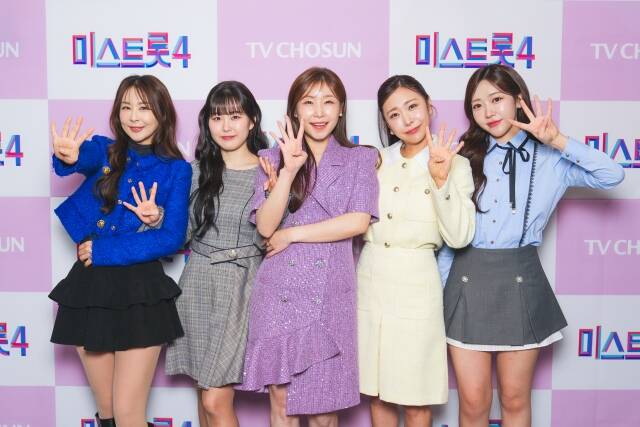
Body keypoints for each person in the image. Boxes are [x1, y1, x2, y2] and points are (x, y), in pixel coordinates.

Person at [438, 64, 625, 427]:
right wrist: (439, 295)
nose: (488, 111)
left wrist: (558, 140)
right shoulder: (463, 157)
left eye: (496, 99)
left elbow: (612, 174)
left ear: (518, 99)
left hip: (520, 280)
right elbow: (449, 235)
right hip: (465, 282)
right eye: (477, 105)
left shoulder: (551, 158)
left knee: (514, 397)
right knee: (473, 402)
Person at [237, 67, 379, 427]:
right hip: (279, 292)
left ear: (341, 109)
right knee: (281, 401)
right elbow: (265, 226)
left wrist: (292, 235)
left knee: (323, 410)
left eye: (328, 102)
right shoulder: (271, 158)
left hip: (330, 294)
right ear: (294, 109)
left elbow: (357, 222)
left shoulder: (361, 158)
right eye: (308, 102)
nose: (318, 112)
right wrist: (288, 171)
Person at [49, 75, 191, 427]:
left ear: (162, 113)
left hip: (141, 290)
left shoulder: (177, 169)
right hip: (90, 288)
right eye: (126, 107)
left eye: (144, 107)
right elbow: (83, 156)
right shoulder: (106, 150)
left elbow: (171, 238)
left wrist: (105, 251)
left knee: (128, 414)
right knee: (108, 411)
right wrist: (69, 156)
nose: (134, 116)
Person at [358, 75, 475, 427]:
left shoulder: (457, 163)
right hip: (371, 277)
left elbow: (460, 236)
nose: (407, 119)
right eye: (394, 114)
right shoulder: (375, 161)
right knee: (377, 392)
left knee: (416, 396)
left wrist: (440, 179)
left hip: (417, 282)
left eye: (412, 107)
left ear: (429, 107)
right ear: (386, 123)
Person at [164, 81, 268, 427]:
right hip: (197, 284)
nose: (226, 126)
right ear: (206, 122)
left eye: (235, 116)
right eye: (217, 117)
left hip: (241, 288)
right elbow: (181, 235)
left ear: (252, 120)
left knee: (215, 399)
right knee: (202, 393)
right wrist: (157, 217)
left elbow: (275, 235)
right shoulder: (197, 172)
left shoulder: (270, 171)